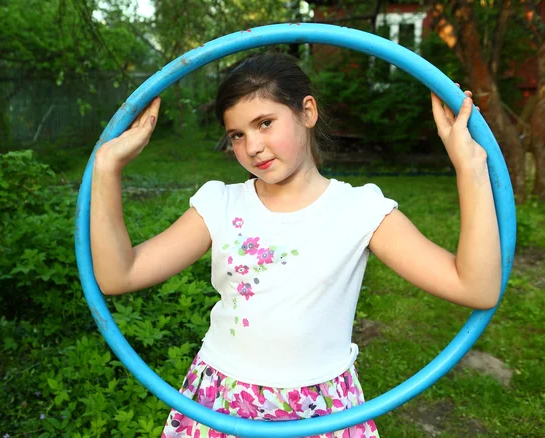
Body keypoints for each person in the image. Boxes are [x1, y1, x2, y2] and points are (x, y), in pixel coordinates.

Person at [90, 53, 501, 438]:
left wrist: (470, 167)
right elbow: (117, 275)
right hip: (223, 402)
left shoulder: (359, 210)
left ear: (307, 111)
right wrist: (107, 168)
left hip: (322, 408)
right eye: (237, 134)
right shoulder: (220, 204)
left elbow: (475, 288)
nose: (252, 147)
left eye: (265, 123)